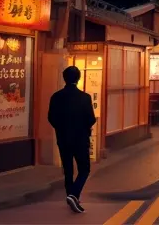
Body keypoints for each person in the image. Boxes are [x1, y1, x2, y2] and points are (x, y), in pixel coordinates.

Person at [48, 66, 96, 214]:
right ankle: (74, 195)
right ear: (79, 78)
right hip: (80, 139)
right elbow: (91, 119)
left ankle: (71, 198)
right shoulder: (85, 97)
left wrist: (61, 129)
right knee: (84, 169)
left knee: (68, 170)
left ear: (64, 78)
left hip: (63, 139)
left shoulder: (56, 96)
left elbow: (51, 118)